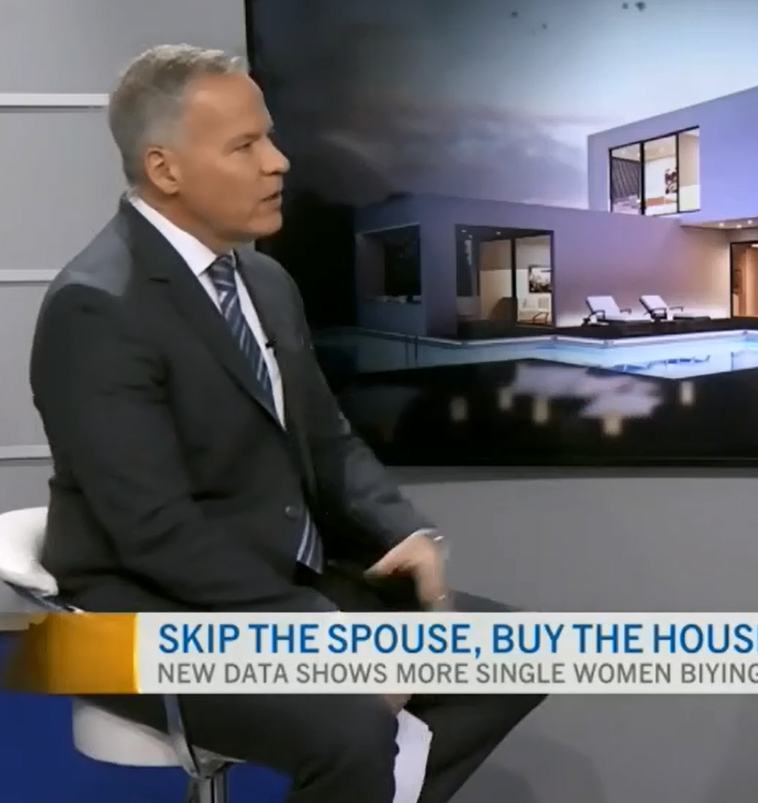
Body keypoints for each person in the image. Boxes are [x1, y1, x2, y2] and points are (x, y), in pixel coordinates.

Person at [29, 44, 543, 803]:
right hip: (142, 607)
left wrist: (400, 526)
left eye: (268, 136)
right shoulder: (98, 308)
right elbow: (153, 529)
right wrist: (325, 631)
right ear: (166, 169)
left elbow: (327, 438)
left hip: (271, 575)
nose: (279, 162)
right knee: (352, 730)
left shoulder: (263, 279)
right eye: (245, 146)